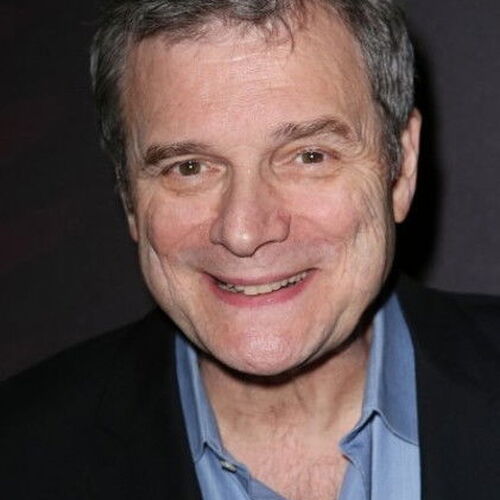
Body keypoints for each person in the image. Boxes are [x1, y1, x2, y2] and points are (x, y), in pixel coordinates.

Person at [1, 1, 499, 499]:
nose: (243, 231)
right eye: (189, 167)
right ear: (129, 196)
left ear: (401, 166)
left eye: (309, 156)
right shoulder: (20, 456)